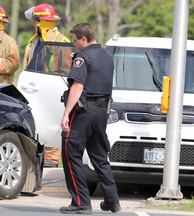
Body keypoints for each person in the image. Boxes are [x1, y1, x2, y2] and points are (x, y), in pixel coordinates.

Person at [59, 23, 122, 214]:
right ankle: (112, 201)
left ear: (83, 39)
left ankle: (80, 203)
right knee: (100, 157)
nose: (74, 44)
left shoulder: (83, 57)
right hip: (102, 112)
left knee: (71, 153)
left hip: (84, 112)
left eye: (75, 40)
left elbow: (77, 87)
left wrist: (66, 114)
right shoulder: (106, 56)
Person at [23, 3, 71, 168]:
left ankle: (51, 160)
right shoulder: (36, 40)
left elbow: (66, 71)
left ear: (40, 21)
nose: (34, 23)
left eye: (36, 20)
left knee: (51, 123)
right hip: (34, 90)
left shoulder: (60, 41)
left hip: (51, 91)